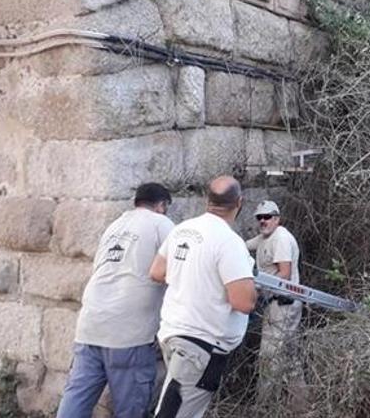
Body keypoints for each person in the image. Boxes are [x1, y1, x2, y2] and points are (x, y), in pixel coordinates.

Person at [57, 183, 174, 418]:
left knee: (76, 400)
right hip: (128, 333)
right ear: (162, 205)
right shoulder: (162, 224)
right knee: (131, 407)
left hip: (90, 326)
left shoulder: (115, 226)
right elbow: (178, 268)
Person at [149, 175, 257, 418]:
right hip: (201, 346)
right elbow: (244, 302)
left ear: (206, 200)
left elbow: (156, 272)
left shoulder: (182, 229)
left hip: (174, 335)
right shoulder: (230, 242)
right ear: (239, 202)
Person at [245, 200, 304, 405]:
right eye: (259, 217)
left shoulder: (280, 239)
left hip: (283, 304)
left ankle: (264, 406)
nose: (263, 221)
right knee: (289, 356)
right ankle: (300, 404)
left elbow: (284, 274)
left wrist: (258, 289)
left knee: (269, 355)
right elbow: (242, 247)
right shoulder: (264, 237)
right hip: (275, 303)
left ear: (277, 219)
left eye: (267, 217)